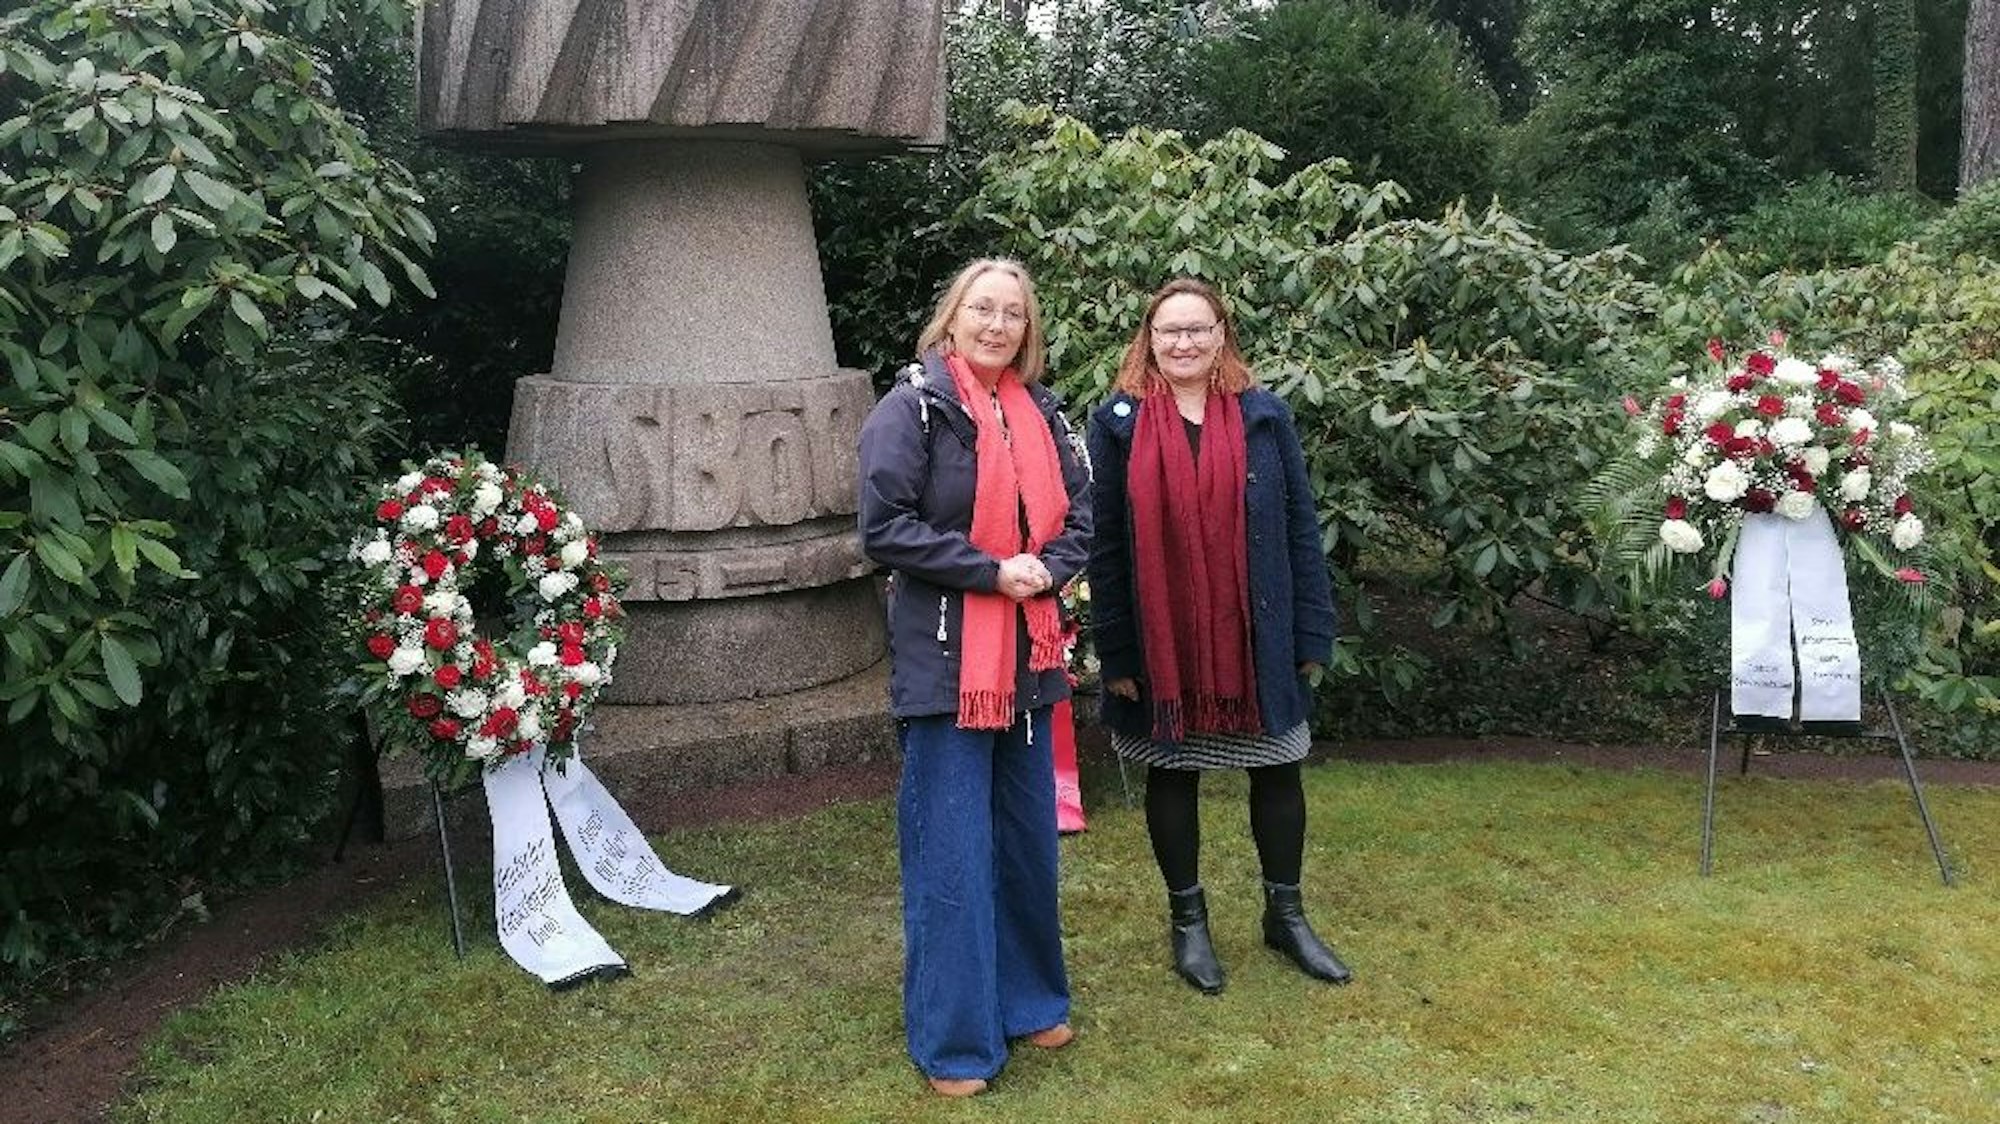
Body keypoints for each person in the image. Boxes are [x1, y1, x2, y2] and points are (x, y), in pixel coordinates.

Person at [856, 258, 1092, 1096]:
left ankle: (1029, 1002)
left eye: (1014, 314)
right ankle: (955, 1040)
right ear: (951, 317)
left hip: (1028, 665)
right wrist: (991, 571)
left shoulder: (1048, 415)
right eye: (982, 309)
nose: (997, 325)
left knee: (1026, 844)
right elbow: (884, 527)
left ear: (1028, 331)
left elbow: (1081, 519)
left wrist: (1044, 571)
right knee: (951, 851)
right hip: (947, 665)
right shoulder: (913, 409)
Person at [1085, 277, 1351, 996]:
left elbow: (1299, 528)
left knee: (1279, 769)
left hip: (1256, 636)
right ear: (1149, 338)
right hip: (1161, 642)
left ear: (1222, 334)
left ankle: (1286, 916)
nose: (1184, 342)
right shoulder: (1116, 422)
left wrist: (1311, 631)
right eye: (1169, 330)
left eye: (1197, 328)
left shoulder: (1266, 416)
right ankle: (1189, 924)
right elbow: (1104, 543)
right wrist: (1117, 650)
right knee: (1173, 771)